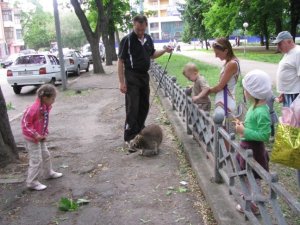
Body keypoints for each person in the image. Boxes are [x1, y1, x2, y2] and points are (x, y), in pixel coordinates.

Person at [118, 15, 173, 148]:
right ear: (134, 26)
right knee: (133, 107)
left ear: (146, 26)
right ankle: (129, 136)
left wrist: (165, 50)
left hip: (144, 76)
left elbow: (152, 54)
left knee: (144, 105)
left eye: (142, 29)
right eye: (138, 30)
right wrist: (121, 82)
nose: (141, 32)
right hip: (131, 76)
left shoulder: (148, 38)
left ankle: (139, 132)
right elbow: (121, 61)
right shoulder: (127, 40)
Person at [235, 69, 272, 214]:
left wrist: (244, 131)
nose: (244, 92)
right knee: (245, 175)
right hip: (247, 147)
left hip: (254, 150)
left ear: (252, 91)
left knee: (253, 177)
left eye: (245, 89)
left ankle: (255, 206)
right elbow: (253, 126)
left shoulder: (262, 111)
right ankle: (248, 199)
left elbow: (264, 135)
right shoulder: (254, 106)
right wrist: (243, 125)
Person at [22, 84, 62, 191]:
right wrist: (35, 135)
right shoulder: (34, 109)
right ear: (45, 98)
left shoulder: (45, 107)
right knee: (36, 160)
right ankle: (32, 182)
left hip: (40, 137)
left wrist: (44, 133)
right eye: (52, 98)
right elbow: (25, 123)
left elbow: (43, 122)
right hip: (32, 139)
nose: (54, 100)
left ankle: (48, 173)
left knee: (46, 155)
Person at [273, 30, 300, 185]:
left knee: (294, 127)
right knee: (289, 127)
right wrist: (283, 92)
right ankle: (292, 155)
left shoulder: (298, 52)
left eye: (280, 43)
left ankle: (295, 154)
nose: (278, 46)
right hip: (289, 95)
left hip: (296, 97)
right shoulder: (288, 53)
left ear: (289, 41)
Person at [207, 37, 240, 132]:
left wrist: (206, 91)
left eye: (217, 53)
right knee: (222, 132)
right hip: (225, 100)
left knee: (222, 133)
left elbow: (220, 86)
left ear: (226, 50)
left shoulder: (231, 64)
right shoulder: (230, 62)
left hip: (225, 102)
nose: (216, 56)